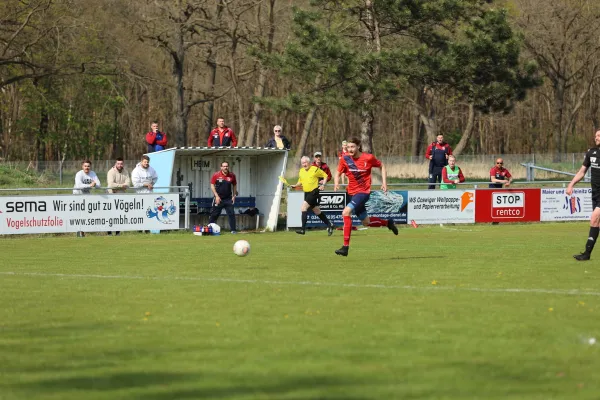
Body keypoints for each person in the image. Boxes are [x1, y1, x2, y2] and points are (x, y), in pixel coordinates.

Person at [333, 137, 398, 257]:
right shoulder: (345, 158)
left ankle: (345, 247)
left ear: (358, 146)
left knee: (346, 212)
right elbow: (337, 172)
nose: (350, 149)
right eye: (348, 147)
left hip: (363, 192)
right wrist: (336, 182)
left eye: (352, 147)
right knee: (366, 222)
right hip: (352, 193)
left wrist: (384, 183)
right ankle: (388, 223)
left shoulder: (368, 158)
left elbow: (382, 166)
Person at [566, 130, 600, 261]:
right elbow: (582, 172)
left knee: (594, 218)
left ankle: (586, 253)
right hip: (595, 194)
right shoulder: (591, 153)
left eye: (598, 135)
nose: (595, 137)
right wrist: (571, 184)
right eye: (595, 135)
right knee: (598, 224)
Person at [291, 156, 334, 236]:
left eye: (305, 162)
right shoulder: (301, 171)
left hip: (314, 192)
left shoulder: (315, 169)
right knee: (317, 211)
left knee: (303, 207)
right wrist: (295, 185)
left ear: (309, 162)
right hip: (307, 193)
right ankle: (329, 224)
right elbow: (300, 181)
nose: (304, 164)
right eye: (302, 163)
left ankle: (303, 229)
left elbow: (325, 175)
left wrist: (323, 185)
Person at [73, 160, 101, 237]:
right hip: (77, 195)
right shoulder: (79, 174)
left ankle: (83, 231)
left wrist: (94, 184)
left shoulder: (93, 173)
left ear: (90, 167)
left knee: (86, 214)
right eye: (85, 166)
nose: (87, 168)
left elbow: (99, 184)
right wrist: (90, 185)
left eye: (88, 166)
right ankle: (79, 232)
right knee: (79, 214)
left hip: (86, 195)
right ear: (82, 166)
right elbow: (79, 186)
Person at [209, 162, 238, 234]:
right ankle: (209, 229)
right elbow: (212, 185)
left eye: (227, 166)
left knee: (231, 214)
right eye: (224, 166)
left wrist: (234, 196)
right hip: (219, 198)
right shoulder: (216, 175)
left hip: (228, 199)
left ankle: (233, 230)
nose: (225, 167)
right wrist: (216, 196)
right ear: (221, 167)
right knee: (214, 214)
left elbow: (234, 185)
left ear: (228, 167)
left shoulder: (232, 175)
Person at [106, 157, 131, 236]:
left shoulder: (125, 172)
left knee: (119, 214)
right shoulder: (111, 172)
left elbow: (128, 183)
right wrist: (121, 186)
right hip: (111, 195)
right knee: (110, 215)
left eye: (121, 164)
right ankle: (109, 232)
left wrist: (118, 187)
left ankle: (118, 232)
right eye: (118, 163)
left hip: (121, 196)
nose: (120, 165)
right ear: (115, 164)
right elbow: (111, 184)